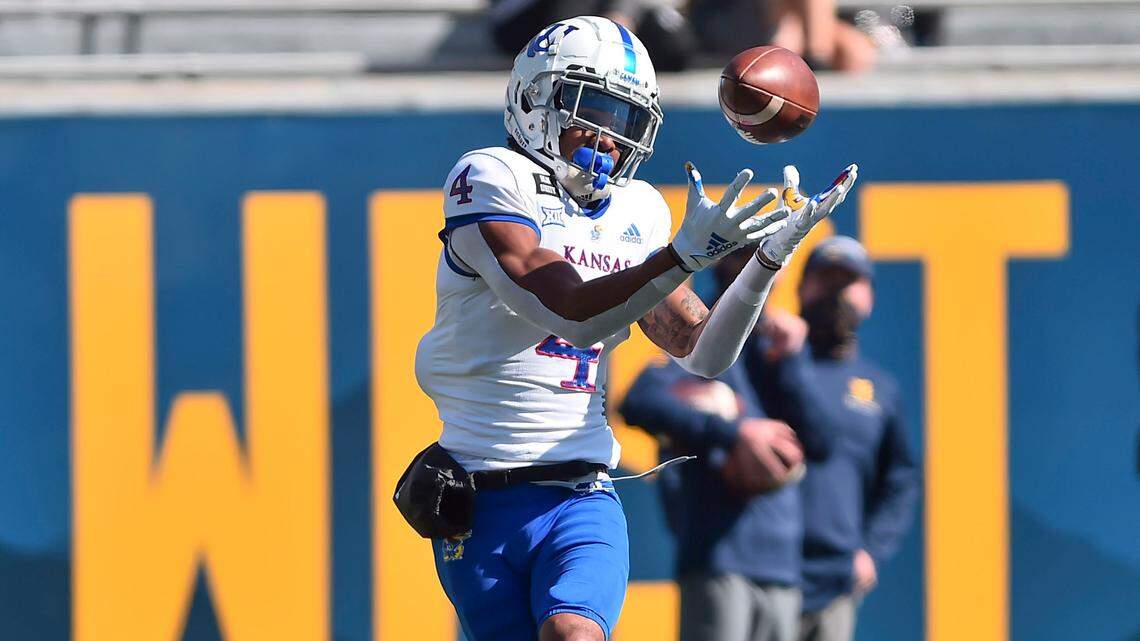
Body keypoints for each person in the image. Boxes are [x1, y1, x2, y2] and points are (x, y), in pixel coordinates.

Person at [396, 16, 859, 641]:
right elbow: (568, 312)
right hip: (481, 497)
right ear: (538, 98)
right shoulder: (489, 178)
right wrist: (679, 260)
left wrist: (765, 265)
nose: (610, 139)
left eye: (625, 121)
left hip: (582, 490)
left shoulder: (635, 208)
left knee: (574, 634)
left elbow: (701, 352)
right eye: (594, 112)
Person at [619, 246, 838, 641]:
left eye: (767, 260)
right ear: (725, 265)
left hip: (782, 561)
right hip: (718, 553)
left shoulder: (779, 351)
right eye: (745, 257)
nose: (755, 270)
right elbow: (639, 402)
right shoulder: (699, 344)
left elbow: (821, 444)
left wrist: (793, 364)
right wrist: (734, 432)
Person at [748, 236, 918, 641]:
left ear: (870, 296)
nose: (836, 293)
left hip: (835, 579)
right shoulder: (765, 362)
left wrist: (870, 554)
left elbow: (901, 480)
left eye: (849, 282)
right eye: (826, 279)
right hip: (762, 571)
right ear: (803, 286)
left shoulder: (881, 389)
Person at [688, 0, 877, 72]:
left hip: (787, 30)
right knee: (849, 52)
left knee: (852, 52)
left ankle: (812, 56)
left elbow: (855, 56)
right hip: (727, 18)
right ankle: (812, 58)